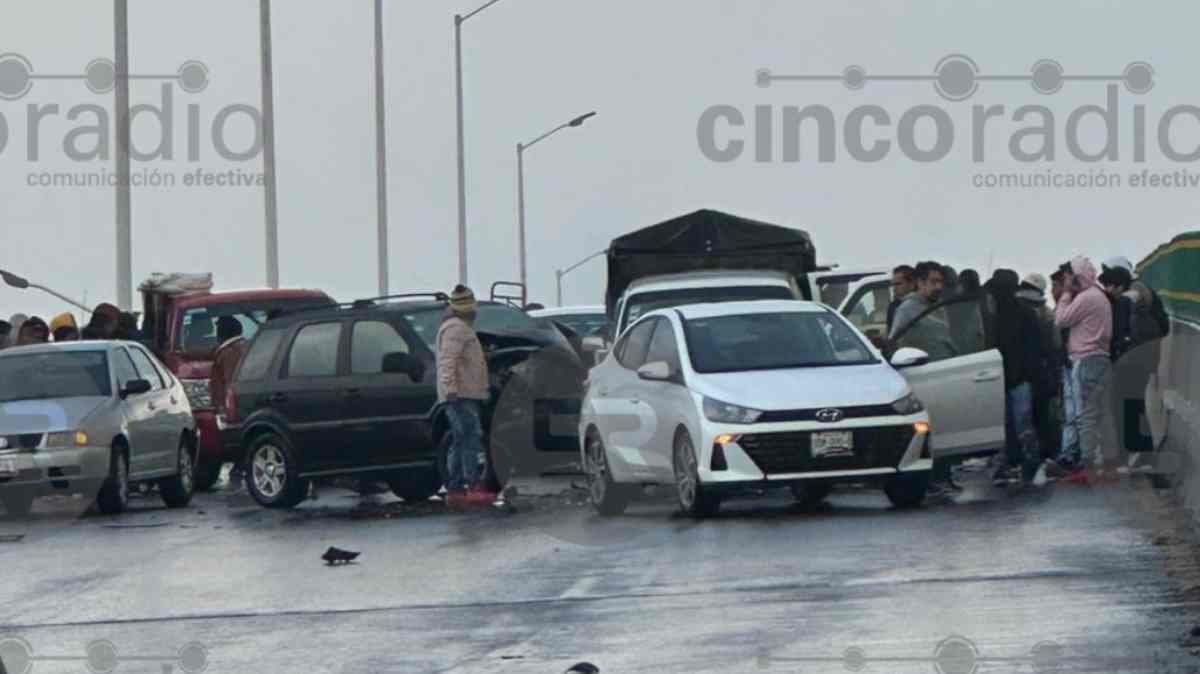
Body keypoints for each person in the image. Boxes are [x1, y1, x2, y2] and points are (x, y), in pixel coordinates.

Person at [1099, 256, 1169, 467]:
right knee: (1124, 404)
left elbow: (1134, 298)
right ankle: (1132, 451)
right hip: (1133, 359)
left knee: (1131, 404)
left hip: (1137, 360)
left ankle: (1142, 452)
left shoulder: (1137, 289)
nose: (1108, 286)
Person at [1049, 257, 1113, 485]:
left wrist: (1066, 293)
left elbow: (1060, 319)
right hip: (1099, 360)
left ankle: (1087, 465)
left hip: (1086, 360)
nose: (1069, 281)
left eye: (1070, 277)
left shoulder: (1087, 297)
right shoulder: (1099, 295)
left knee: (1085, 416)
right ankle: (1107, 462)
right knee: (1099, 414)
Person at [985, 270, 1045, 485]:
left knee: (1018, 425)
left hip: (1007, 377)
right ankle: (1023, 464)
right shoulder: (1021, 313)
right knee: (1018, 425)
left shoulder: (994, 316)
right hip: (1008, 377)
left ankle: (1023, 464)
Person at [437, 285, 492, 509]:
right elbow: (447, 361)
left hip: (461, 393)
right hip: (461, 394)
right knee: (470, 437)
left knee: (461, 440)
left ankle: (456, 488)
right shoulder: (456, 329)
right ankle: (472, 485)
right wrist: (451, 389)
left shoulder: (456, 327)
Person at [1017, 273, 1061, 460]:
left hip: (1017, 373)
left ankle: (1027, 456)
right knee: (1043, 415)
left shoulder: (1010, 309)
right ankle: (1047, 454)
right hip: (1043, 370)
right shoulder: (1047, 313)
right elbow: (1056, 344)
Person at [210, 317, 248, 419]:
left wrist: (224, 408)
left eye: (218, 330)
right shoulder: (248, 346)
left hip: (232, 408)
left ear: (222, 333)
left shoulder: (228, 352)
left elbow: (229, 382)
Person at [886, 265, 916, 335]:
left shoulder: (923, 304)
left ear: (912, 284)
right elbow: (890, 334)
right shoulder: (893, 307)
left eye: (898, 284)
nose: (894, 288)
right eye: (893, 285)